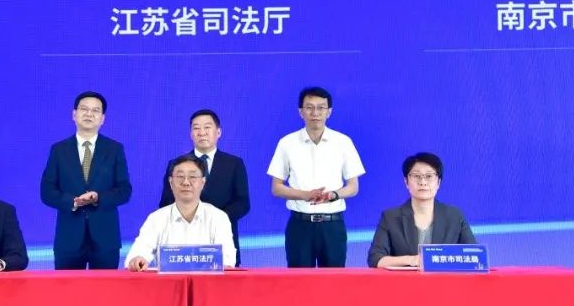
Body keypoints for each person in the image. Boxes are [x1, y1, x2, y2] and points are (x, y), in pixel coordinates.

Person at [267, 87, 365, 268]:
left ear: (329, 112)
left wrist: (333, 195)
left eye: (321, 108)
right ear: (301, 112)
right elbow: (276, 187)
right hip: (300, 225)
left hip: (332, 225)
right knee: (299, 282)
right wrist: (305, 195)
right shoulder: (287, 143)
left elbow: (353, 187)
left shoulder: (343, 142)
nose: (315, 113)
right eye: (309, 107)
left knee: (334, 281)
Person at [41, 91, 132, 269]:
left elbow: (124, 190)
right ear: (74, 114)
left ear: (102, 119)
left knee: (106, 287)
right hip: (68, 238)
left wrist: (98, 198)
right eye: (84, 109)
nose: (89, 114)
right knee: (68, 287)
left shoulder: (114, 149)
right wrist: (73, 202)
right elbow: (47, 191)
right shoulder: (59, 150)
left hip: (106, 238)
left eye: (95, 110)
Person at [158, 109, 250, 265]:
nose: (202, 133)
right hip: (183, 244)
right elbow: (166, 202)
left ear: (218, 132)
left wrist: (214, 219)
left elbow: (243, 203)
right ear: (191, 134)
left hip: (221, 241)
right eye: (196, 128)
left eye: (207, 127)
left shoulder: (234, 164)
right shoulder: (176, 165)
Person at [368, 152, 477, 268]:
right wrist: (412, 260)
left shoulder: (455, 216)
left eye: (429, 176)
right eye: (416, 176)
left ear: (438, 182)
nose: (423, 182)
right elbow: (375, 259)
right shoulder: (390, 217)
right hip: (405, 280)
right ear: (406, 182)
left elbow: (474, 255)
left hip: (445, 279)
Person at [126, 154, 235, 271]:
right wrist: (137, 260)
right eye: (180, 176)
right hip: (168, 282)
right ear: (171, 182)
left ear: (203, 182)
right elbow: (137, 254)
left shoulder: (218, 217)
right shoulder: (156, 218)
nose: (186, 182)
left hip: (208, 282)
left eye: (192, 177)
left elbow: (227, 260)